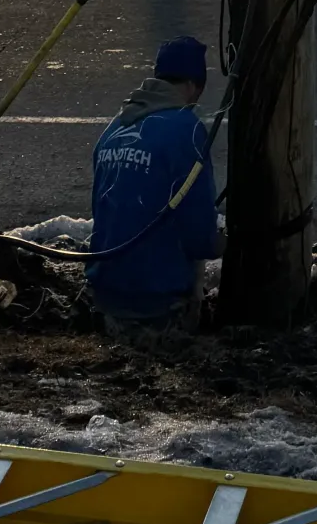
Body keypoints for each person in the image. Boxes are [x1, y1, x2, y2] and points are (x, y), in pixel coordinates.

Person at [87, 35, 221, 333]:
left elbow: (105, 207)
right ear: (193, 85)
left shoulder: (114, 127)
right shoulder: (187, 129)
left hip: (104, 291)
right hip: (155, 300)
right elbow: (200, 231)